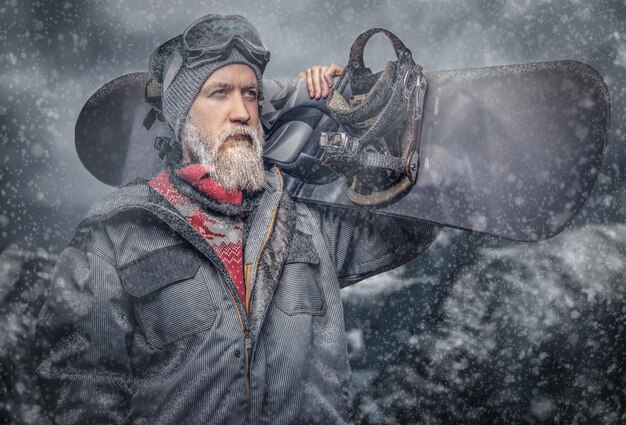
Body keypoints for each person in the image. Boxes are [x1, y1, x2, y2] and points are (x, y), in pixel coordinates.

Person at [36, 14, 439, 425]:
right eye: (219, 93)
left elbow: (409, 227)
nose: (241, 112)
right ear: (182, 118)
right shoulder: (117, 233)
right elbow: (80, 384)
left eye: (250, 94)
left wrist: (347, 113)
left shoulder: (302, 222)